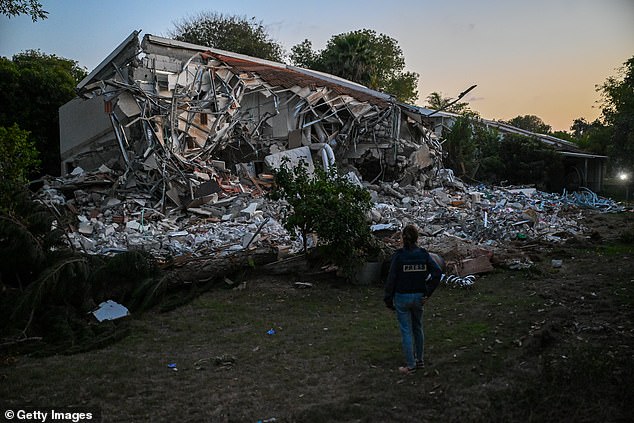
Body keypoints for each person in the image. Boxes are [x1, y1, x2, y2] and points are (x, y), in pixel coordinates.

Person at [384, 224, 442, 375]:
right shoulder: (423, 254)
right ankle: (420, 360)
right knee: (418, 327)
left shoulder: (398, 256)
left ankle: (410, 365)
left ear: (402, 239)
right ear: (418, 238)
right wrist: (428, 292)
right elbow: (437, 273)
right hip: (418, 297)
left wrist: (388, 299)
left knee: (406, 330)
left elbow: (391, 279)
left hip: (402, 297)